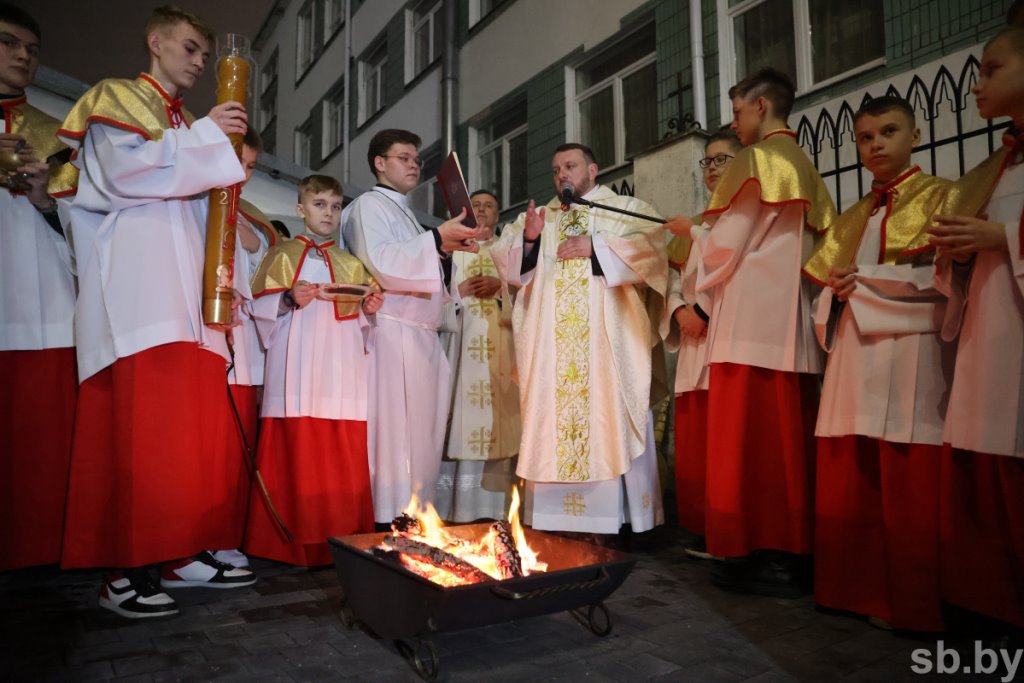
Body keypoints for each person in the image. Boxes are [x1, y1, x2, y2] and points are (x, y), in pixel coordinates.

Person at [58, 5, 255, 618]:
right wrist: (206, 139)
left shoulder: (188, 123)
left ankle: (178, 551)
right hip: (140, 290)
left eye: (204, 52)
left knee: (182, 439)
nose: (201, 63)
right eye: (191, 49)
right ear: (156, 42)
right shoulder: (116, 97)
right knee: (140, 437)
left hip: (185, 300)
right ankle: (125, 569)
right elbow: (123, 175)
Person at [804, 96, 952, 631]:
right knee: (855, 469)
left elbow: (949, 283)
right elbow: (825, 294)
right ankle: (854, 590)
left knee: (908, 469)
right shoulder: (852, 218)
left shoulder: (946, 197)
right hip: (856, 352)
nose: (876, 145)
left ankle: (912, 602)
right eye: (865, 138)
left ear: (916, 133)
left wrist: (868, 286)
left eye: (888, 132)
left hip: (913, 349)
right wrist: (839, 295)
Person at [688, 68, 836, 595]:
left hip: (749, 319)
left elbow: (726, 244)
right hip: (790, 320)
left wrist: (693, 236)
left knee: (742, 442)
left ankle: (742, 549)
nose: (736, 122)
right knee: (786, 442)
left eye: (737, 111)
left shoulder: (756, 160)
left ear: (761, 107)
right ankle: (792, 551)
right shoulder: (806, 167)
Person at [491, 143, 667, 536]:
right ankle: (556, 521)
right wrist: (532, 242)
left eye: (570, 166)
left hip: (608, 348)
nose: (561, 176)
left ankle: (619, 520)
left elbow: (655, 249)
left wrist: (598, 248)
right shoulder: (537, 218)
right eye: (555, 170)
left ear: (593, 169)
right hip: (551, 353)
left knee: (610, 417)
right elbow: (507, 263)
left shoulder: (625, 210)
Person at [928, 25, 1024, 629]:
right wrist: (960, 253)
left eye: (991, 69)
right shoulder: (997, 164)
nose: (976, 84)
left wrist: (1003, 237)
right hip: (991, 332)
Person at [341, 129, 482, 523]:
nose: (413, 165)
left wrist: (446, 250)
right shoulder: (369, 206)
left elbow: (424, 267)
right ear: (379, 163)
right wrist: (437, 239)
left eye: (417, 159)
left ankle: (417, 511)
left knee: (420, 436)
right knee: (394, 435)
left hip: (418, 336)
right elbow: (383, 263)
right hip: (390, 334)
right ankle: (388, 515)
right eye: (403, 157)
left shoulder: (405, 213)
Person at [246, 174, 381, 565]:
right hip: (297, 366)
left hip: (341, 370)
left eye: (336, 206)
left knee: (340, 445)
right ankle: (289, 544)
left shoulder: (352, 264)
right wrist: (288, 299)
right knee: (295, 446)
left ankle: (342, 540)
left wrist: (369, 311)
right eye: (320, 204)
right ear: (300, 209)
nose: (329, 213)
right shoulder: (281, 254)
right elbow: (258, 310)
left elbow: (362, 324)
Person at [0, 3, 78, 572]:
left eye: (30, 48)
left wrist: (45, 197)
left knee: (38, 439)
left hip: (44, 301)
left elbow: (87, 229)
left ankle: (36, 550)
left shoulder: (57, 134)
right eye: (8, 43)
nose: (23, 56)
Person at [660, 128, 743, 558]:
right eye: (707, 161)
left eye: (721, 159)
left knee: (723, 442)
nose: (711, 169)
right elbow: (673, 278)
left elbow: (733, 269)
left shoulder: (742, 218)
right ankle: (699, 526)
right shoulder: (696, 222)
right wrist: (678, 311)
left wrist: (702, 313)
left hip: (722, 333)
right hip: (693, 339)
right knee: (694, 440)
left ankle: (725, 528)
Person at [212, 126, 279, 570]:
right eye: (239, 162)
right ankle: (204, 538)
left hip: (247, 345)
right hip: (211, 338)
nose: (244, 174)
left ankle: (226, 534)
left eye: (252, 166)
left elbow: (266, 276)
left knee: (240, 447)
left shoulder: (252, 216)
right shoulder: (197, 199)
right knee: (213, 447)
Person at [436, 189, 521, 522]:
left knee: (500, 421)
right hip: (461, 352)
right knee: (458, 418)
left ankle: (495, 509)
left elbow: (528, 293)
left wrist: (501, 289)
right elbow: (432, 296)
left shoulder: (509, 252)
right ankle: (457, 507)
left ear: (498, 216)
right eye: (476, 205)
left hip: (503, 352)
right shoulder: (451, 252)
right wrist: (458, 293)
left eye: (489, 206)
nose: (482, 210)